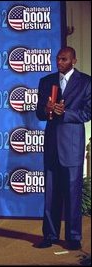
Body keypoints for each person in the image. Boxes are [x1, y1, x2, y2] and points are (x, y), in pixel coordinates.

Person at [36, 46, 91, 250]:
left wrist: (64, 113)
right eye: (58, 59)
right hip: (51, 146)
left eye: (64, 59)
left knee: (72, 195)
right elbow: (39, 114)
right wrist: (47, 109)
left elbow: (87, 113)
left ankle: (74, 236)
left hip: (72, 147)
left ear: (74, 61)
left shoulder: (86, 82)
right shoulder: (46, 81)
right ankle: (49, 235)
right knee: (50, 194)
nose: (59, 62)